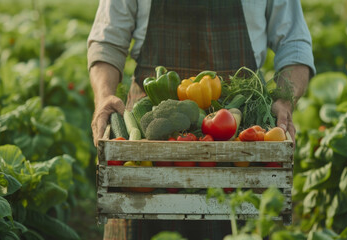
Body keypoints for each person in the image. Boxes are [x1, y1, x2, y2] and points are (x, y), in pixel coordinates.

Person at [88, 0, 315, 239]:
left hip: (240, 128)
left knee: (238, 222)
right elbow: (107, 41)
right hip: (151, 122)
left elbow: (294, 44)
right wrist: (104, 96)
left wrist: (284, 101)